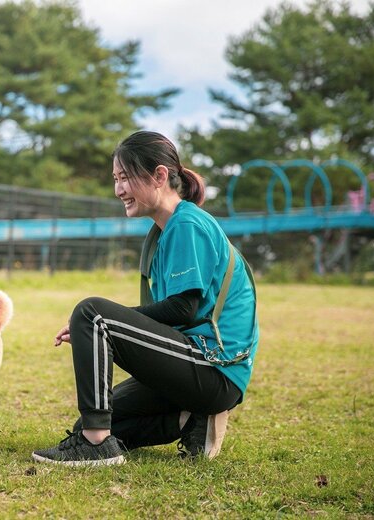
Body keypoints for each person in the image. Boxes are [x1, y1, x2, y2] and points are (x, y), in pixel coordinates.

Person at [32, 131, 259, 466]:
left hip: (215, 368)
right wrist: (105, 329)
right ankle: (191, 419)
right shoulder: (165, 231)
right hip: (197, 366)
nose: (118, 189)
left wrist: (102, 325)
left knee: (91, 312)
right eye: (115, 179)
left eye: (125, 177)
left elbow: (184, 308)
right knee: (101, 418)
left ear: (160, 176)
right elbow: (175, 316)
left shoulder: (187, 224)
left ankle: (94, 446)